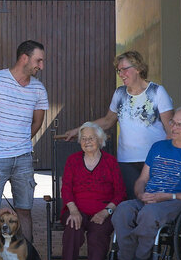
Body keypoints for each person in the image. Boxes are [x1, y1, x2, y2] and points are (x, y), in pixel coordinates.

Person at [108, 106, 181, 260]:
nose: (173, 127)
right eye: (173, 122)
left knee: (149, 213)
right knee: (122, 210)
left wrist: (169, 196)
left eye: (180, 125)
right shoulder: (158, 147)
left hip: (175, 202)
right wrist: (140, 194)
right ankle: (125, 259)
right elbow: (142, 179)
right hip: (149, 198)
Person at [64, 51, 174, 200]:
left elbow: (171, 130)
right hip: (126, 160)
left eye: (124, 69)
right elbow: (108, 120)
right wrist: (79, 130)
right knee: (131, 201)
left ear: (138, 68)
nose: (121, 74)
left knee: (153, 202)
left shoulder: (157, 92)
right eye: (119, 70)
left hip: (155, 159)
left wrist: (170, 158)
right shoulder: (120, 93)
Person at [0, 40, 49, 242]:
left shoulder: (38, 89)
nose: (41, 66)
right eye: (38, 61)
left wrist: (20, 141)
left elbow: (38, 122)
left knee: (25, 212)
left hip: (23, 158)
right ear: (24, 58)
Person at [57, 122, 126, 260]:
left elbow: (120, 193)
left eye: (91, 138)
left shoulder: (110, 162)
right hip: (77, 209)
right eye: (83, 138)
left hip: (102, 211)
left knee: (99, 232)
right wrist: (73, 210)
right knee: (73, 226)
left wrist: (106, 212)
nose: (87, 141)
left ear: (100, 140)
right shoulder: (72, 161)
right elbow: (66, 189)